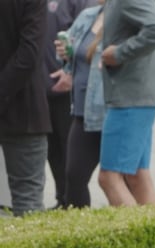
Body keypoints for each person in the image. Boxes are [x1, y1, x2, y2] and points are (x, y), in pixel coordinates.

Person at [98, 0, 155, 207]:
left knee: (109, 178)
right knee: (137, 176)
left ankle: (136, 239)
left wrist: (119, 53)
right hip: (136, 94)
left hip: (130, 97)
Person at [0, 0, 52, 217]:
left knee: (27, 201)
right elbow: (29, 55)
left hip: (24, 112)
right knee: (28, 204)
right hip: (25, 110)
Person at [45, 0, 96, 209]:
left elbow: (87, 38)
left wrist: (70, 72)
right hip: (42, 84)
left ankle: (74, 205)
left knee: (70, 151)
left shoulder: (81, 3)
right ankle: (62, 200)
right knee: (52, 148)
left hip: (67, 87)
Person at [55, 1, 106, 208]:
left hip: (111, 110)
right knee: (74, 176)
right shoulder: (88, 15)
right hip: (82, 110)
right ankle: (81, 232)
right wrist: (65, 55)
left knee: (118, 179)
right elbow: (69, 59)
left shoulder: (127, 17)